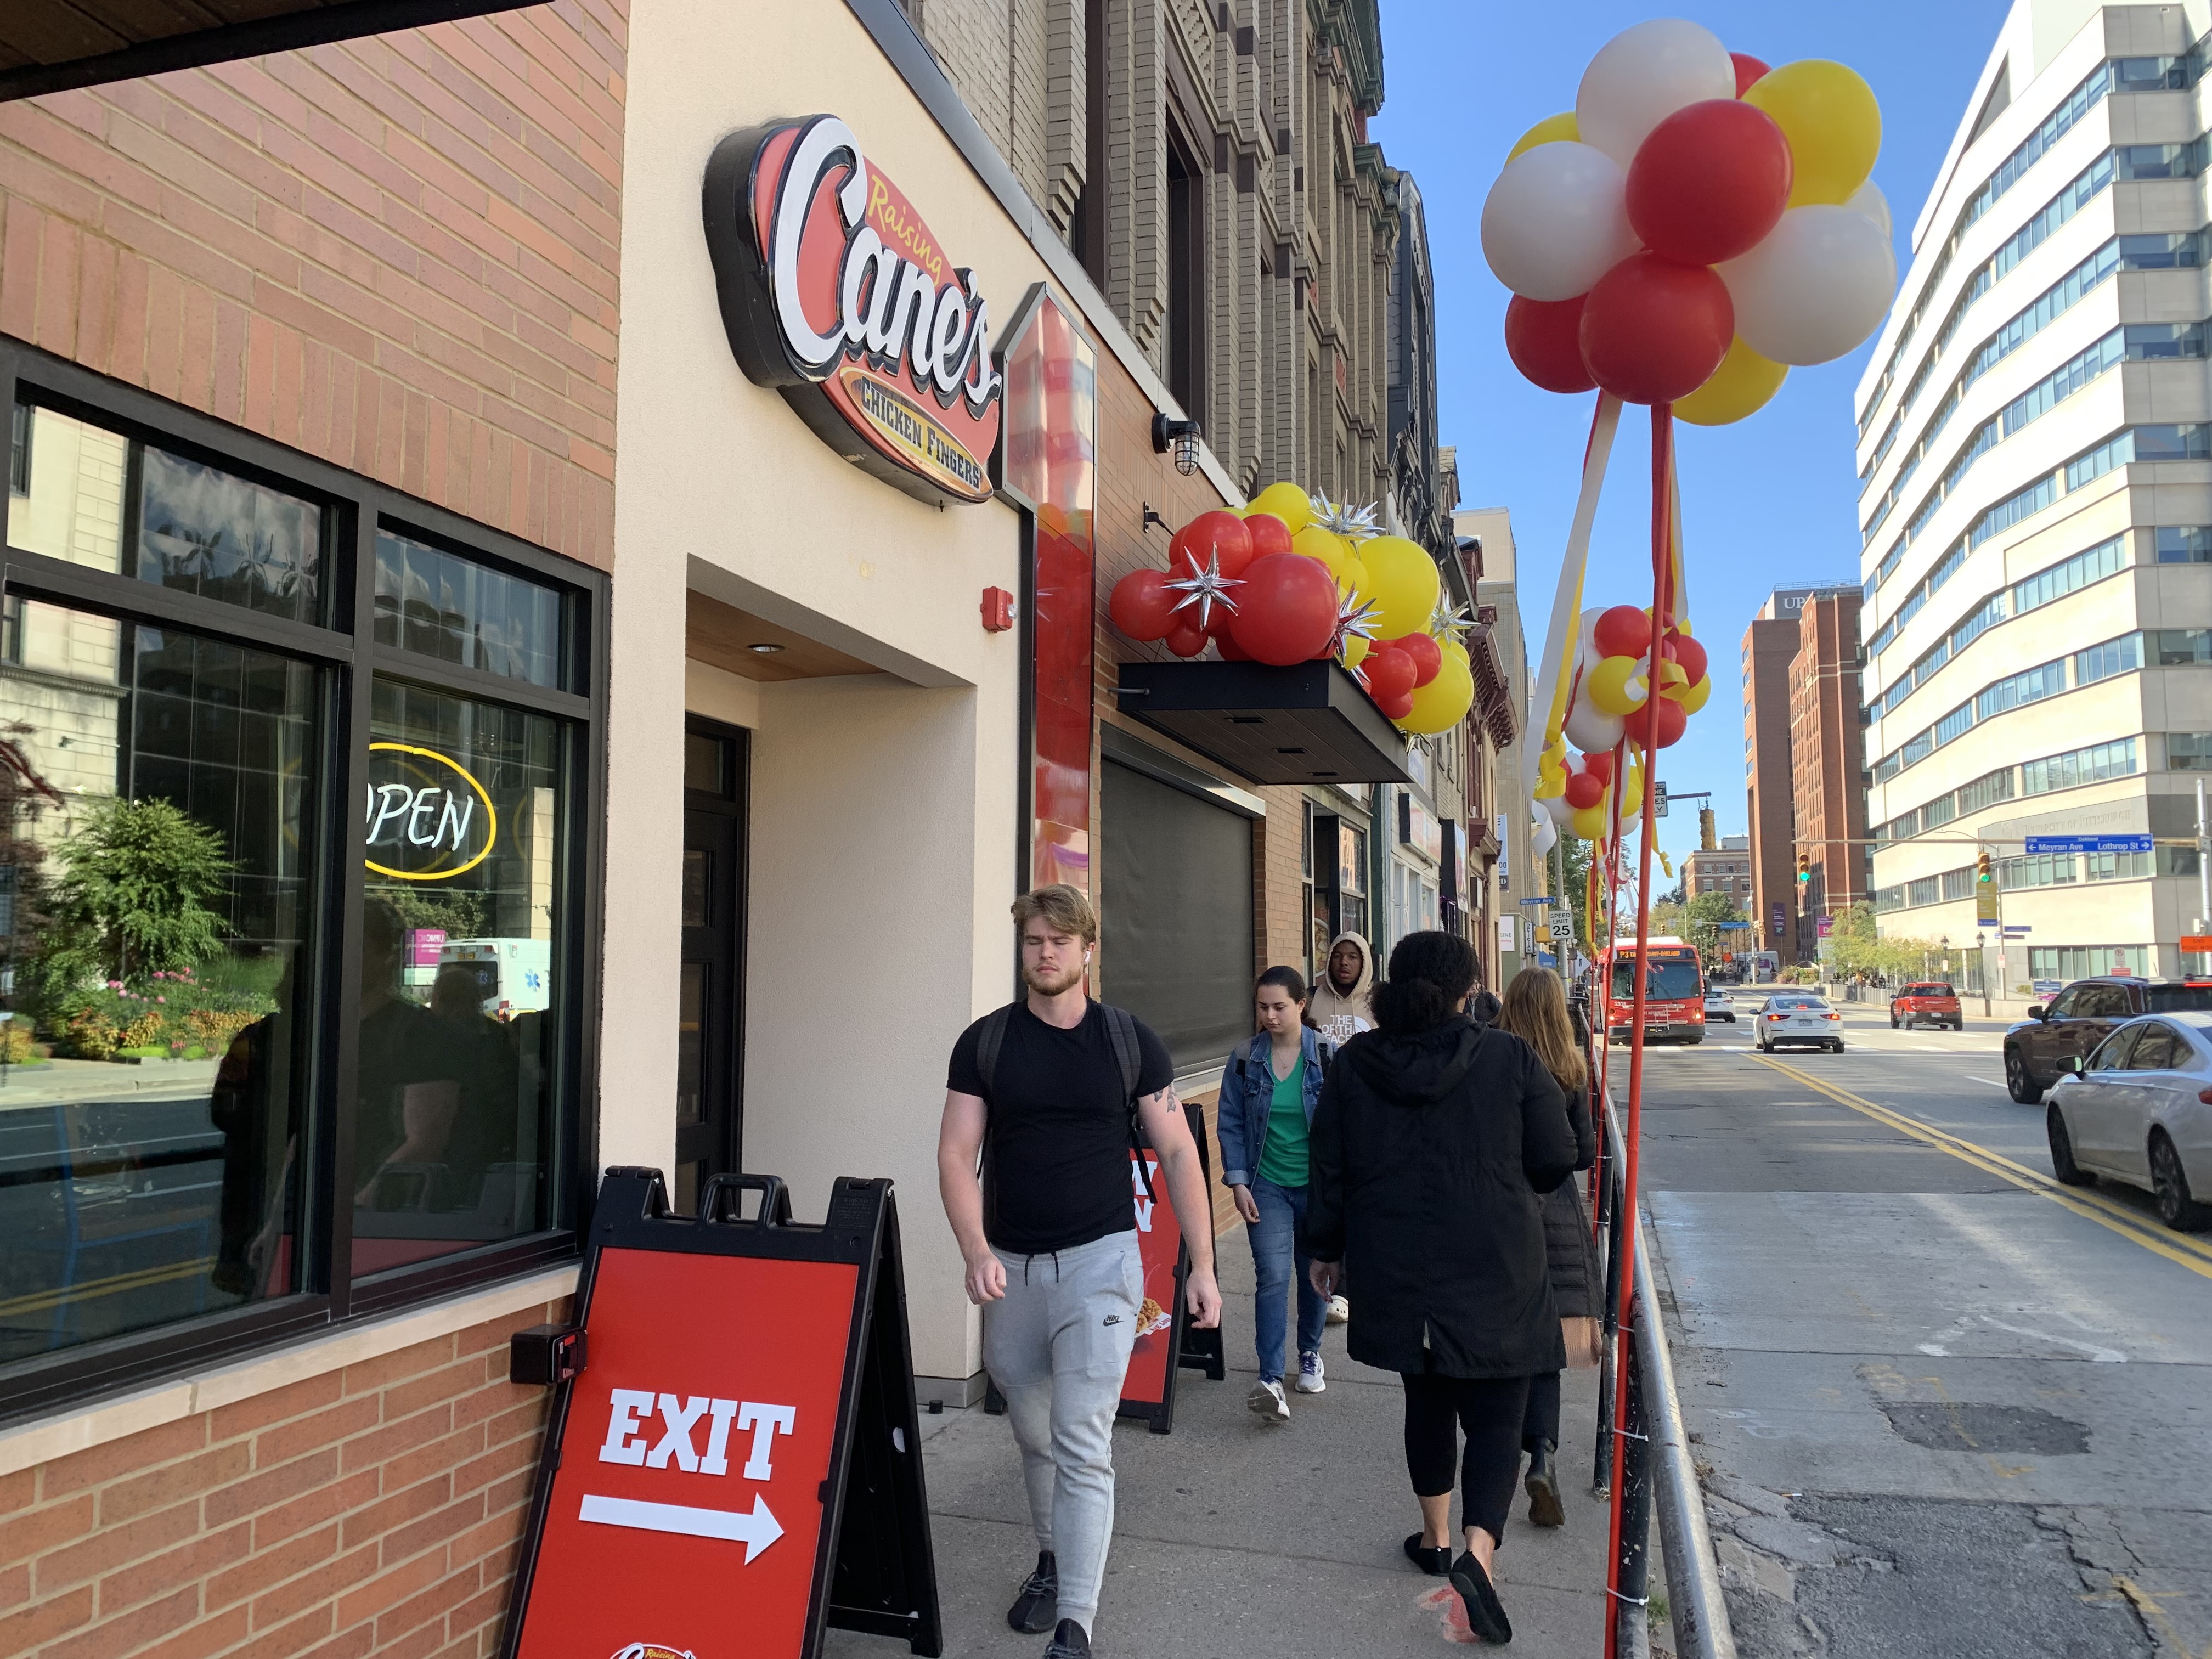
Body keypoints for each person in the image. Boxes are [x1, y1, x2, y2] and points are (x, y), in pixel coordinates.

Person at [938, 884, 1222, 1659]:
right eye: (1034, 941)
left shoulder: (1129, 1043)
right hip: (1013, 1273)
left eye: (1061, 941)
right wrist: (974, 1248)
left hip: (1101, 1266)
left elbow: (1178, 1153)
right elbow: (958, 1154)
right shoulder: (986, 1044)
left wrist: (1201, 1266)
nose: (1046, 953)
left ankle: (1076, 1623)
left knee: (1082, 1438)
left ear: (1089, 950)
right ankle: (1053, 1556)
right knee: (1036, 1439)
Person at [1302, 931, 1576, 1646]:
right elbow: (1555, 1158)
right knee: (1496, 1415)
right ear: (1465, 992)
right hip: (1498, 1264)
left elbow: (1328, 1163)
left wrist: (1324, 1251)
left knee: (1425, 1398)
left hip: (1397, 1267)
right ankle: (1479, 1556)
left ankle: (1434, 1538)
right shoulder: (1510, 1057)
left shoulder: (1355, 1063)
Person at [1492, 967, 1604, 1529]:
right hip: (1553, 1211)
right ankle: (1544, 1455)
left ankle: (1500, 1460)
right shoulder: (1570, 1068)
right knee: (1548, 1351)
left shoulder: (1491, 1058)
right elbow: (1583, 1155)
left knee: (1501, 1339)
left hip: (1497, 1206)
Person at [1216, 967, 1334, 1423]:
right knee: (1272, 1276)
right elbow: (1229, 1121)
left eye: (1279, 1007)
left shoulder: (1326, 1056)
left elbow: (1346, 1128)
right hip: (1266, 1184)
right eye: (1262, 1006)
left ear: (1301, 1004)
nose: (1269, 1015)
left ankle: (1309, 1353)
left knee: (1314, 1275)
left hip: (1317, 1188)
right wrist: (1239, 1180)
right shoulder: (1246, 1058)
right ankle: (1269, 1377)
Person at [1308, 930, 1374, 1042]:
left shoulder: (1377, 1001)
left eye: (1352, 957)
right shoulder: (1311, 997)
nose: (1344, 962)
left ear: (1364, 962)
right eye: (1337, 956)